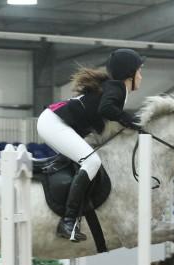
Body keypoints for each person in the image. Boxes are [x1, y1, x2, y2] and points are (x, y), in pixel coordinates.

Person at [36, 48, 144, 242]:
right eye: (139, 71)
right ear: (130, 74)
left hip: (55, 121)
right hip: (54, 123)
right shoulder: (118, 88)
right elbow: (106, 109)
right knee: (92, 162)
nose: (141, 76)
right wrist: (130, 120)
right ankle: (68, 221)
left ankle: (43, 167)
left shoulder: (114, 88)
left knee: (86, 158)